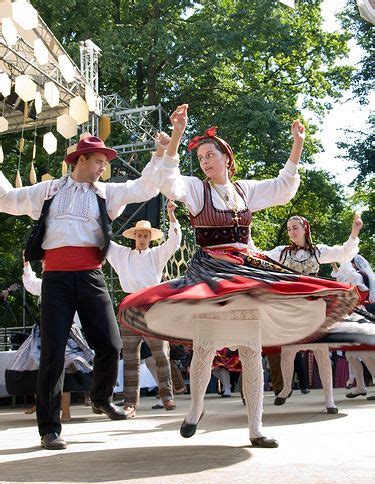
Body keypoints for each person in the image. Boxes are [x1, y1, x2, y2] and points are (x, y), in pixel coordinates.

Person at [118, 104, 358, 448]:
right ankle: (195, 410)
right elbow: (167, 180)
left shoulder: (245, 190)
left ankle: (256, 429)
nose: (204, 161)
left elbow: (281, 187)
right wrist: (176, 136)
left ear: (227, 158)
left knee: (250, 348)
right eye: (200, 157)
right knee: (203, 349)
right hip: (211, 277)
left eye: (210, 155)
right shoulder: (196, 190)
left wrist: (297, 145)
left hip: (242, 276)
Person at [0, 135, 159, 449]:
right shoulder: (49, 190)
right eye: (99, 160)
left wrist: (163, 153)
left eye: (105, 162)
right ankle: (49, 428)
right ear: (81, 159)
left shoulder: (106, 193)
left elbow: (145, 187)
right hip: (56, 277)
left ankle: (100, 397)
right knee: (53, 353)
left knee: (111, 344)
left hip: (90, 275)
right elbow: (7, 199)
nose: (103, 167)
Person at [262, 213, 362, 414]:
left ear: (305, 229)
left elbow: (344, 253)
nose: (291, 232)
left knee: (321, 351)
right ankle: (287, 388)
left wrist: (355, 230)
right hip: (291, 307)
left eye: (295, 228)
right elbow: (259, 255)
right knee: (288, 351)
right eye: (289, 228)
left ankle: (329, 400)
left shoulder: (318, 251)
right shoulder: (282, 252)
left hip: (314, 306)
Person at [106, 200, 182, 418]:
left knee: (161, 354)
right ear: (134, 237)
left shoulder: (156, 254)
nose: (142, 239)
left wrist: (172, 216)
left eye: (146, 235)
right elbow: (104, 241)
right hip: (130, 305)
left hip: (152, 305)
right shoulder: (122, 255)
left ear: (150, 238)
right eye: (139, 235)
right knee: (130, 358)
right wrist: (105, 213)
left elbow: (174, 242)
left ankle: (167, 395)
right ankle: (130, 403)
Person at [16, 258, 94, 421]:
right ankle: (41, 405)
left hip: (67, 333)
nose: (46, 264)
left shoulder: (69, 282)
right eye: (44, 262)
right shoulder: (44, 284)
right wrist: (26, 263)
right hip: (45, 332)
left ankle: (66, 412)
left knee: (64, 369)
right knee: (40, 368)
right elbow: (30, 282)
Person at [331, 256, 375, 401]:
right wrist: (335, 267)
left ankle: (363, 385)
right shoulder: (355, 275)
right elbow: (343, 281)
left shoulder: (358, 276)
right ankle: (360, 386)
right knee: (351, 354)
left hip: (358, 315)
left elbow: (350, 286)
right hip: (350, 315)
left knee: (365, 353)